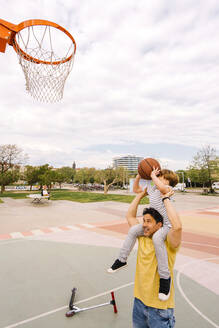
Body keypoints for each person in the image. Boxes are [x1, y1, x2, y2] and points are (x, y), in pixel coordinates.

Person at [108, 169, 179, 301]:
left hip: (165, 226)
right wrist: (138, 177)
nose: (158, 179)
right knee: (133, 230)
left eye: (162, 177)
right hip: (152, 224)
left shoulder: (167, 189)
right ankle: (122, 260)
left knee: (157, 239)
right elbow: (136, 190)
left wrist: (152, 175)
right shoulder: (153, 189)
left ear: (169, 182)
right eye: (159, 177)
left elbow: (162, 187)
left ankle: (165, 277)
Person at [130, 188, 181, 327]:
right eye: (144, 221)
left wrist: (166, 199)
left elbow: (176, 227)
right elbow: (130, 216)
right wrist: (140, 195)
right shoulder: (143, 237)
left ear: (159, 225)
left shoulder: (168, 243)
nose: (144, 225)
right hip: (139, 302)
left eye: (149, 222)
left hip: (159, 309)